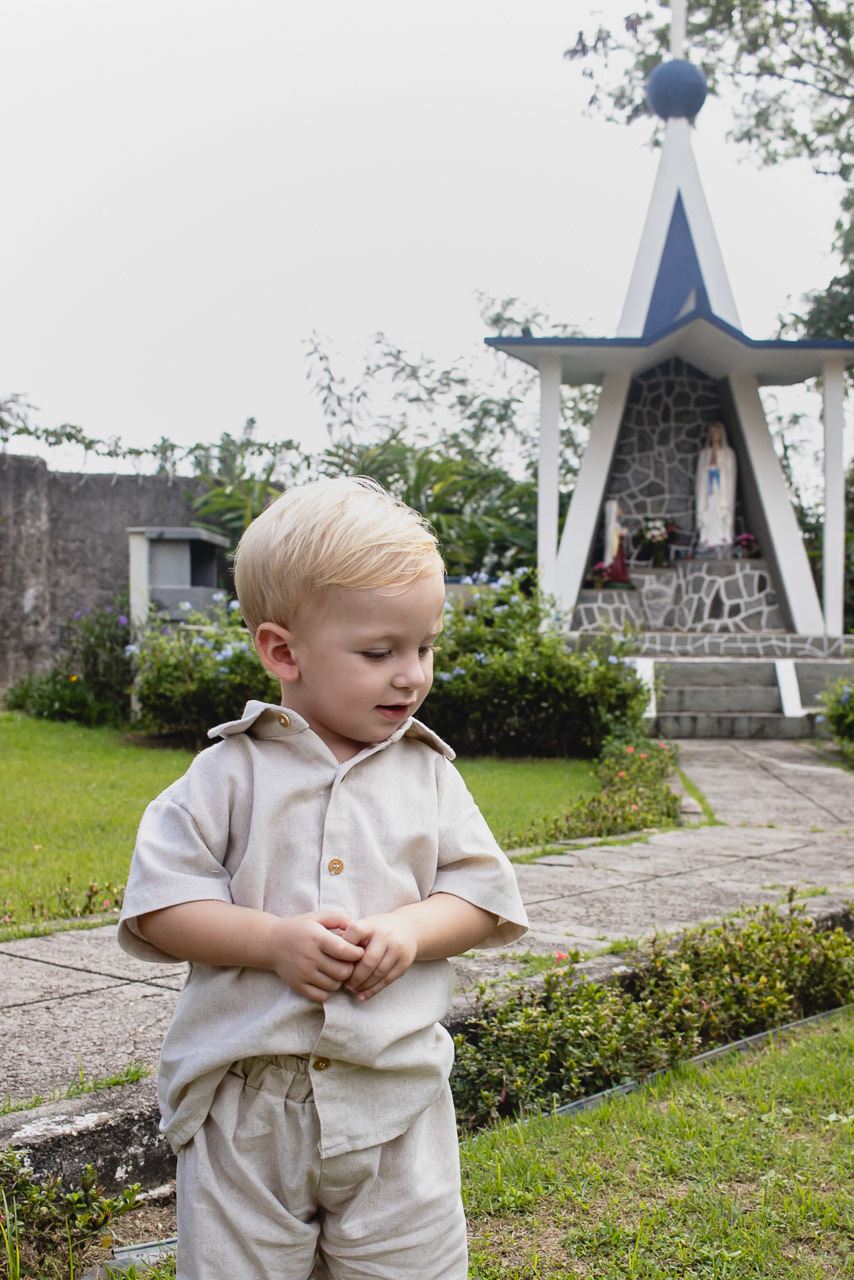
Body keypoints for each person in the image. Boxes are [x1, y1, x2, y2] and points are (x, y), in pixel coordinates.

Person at [118, 476, 528, 1280]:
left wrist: (409, 931)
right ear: (283, 651)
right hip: (248, 1111)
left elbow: (482, 897)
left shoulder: (429, 776)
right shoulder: (225, 776)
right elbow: (161, 906)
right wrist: (272, 943)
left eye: (424, 647)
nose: (410, 675)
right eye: (379, 653)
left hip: (396, 1100)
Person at [695, 422, 736, 553]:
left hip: (721, 489)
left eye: (717, 432)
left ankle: (724, 536)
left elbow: (730, 473)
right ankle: (706, 537)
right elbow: (700, 474)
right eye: (712, 432)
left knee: (720, 510)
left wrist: (719, 470)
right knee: (708, 509)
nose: (714, 435)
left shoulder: (728, 453)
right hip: (708, 488)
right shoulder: (705, 453)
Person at [602, 498, 631, 583]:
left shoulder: (615, 524)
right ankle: (616, 577)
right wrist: (623, 533)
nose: (620, 510)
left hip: (618, 549)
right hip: (616, 550)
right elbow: (616, 539)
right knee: (617, 564)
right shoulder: (613, 525)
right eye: (618, 508)